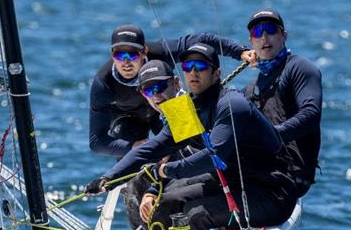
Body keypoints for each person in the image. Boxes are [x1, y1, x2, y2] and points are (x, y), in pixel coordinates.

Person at [87, 43, 296, 230]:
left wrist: (164, 170)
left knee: (194, 214)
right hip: (233, 183)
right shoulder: (187, 109)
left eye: (200, 66)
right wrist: (109, 178)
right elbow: (153, 147)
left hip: (271, 193)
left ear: (216, 73)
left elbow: (214, 157)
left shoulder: (232, 104)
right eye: (187, 66)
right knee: (165, 204)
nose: (193, 72)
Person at [89, 24, 256, 159]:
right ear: (112, 54)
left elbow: (203, 40)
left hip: (168, 104)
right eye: (119, 55)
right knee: (130, 139)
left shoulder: (159, 53)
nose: (126, 62)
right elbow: (96, 141)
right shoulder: (103, 83)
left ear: (145, 51)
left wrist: (240, 52)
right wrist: (132, 146)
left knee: (193, 143)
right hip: (129, 121)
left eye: (132, 55)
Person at [244, 9, 322, 197]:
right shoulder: (252, 87)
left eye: (270, 29)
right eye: (257, 33)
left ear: (283, 35)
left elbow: (311, 114)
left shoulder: (299, 68)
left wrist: (267, 137)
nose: (264, 37)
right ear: (251, 43)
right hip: (261, 167)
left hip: (290, 174)